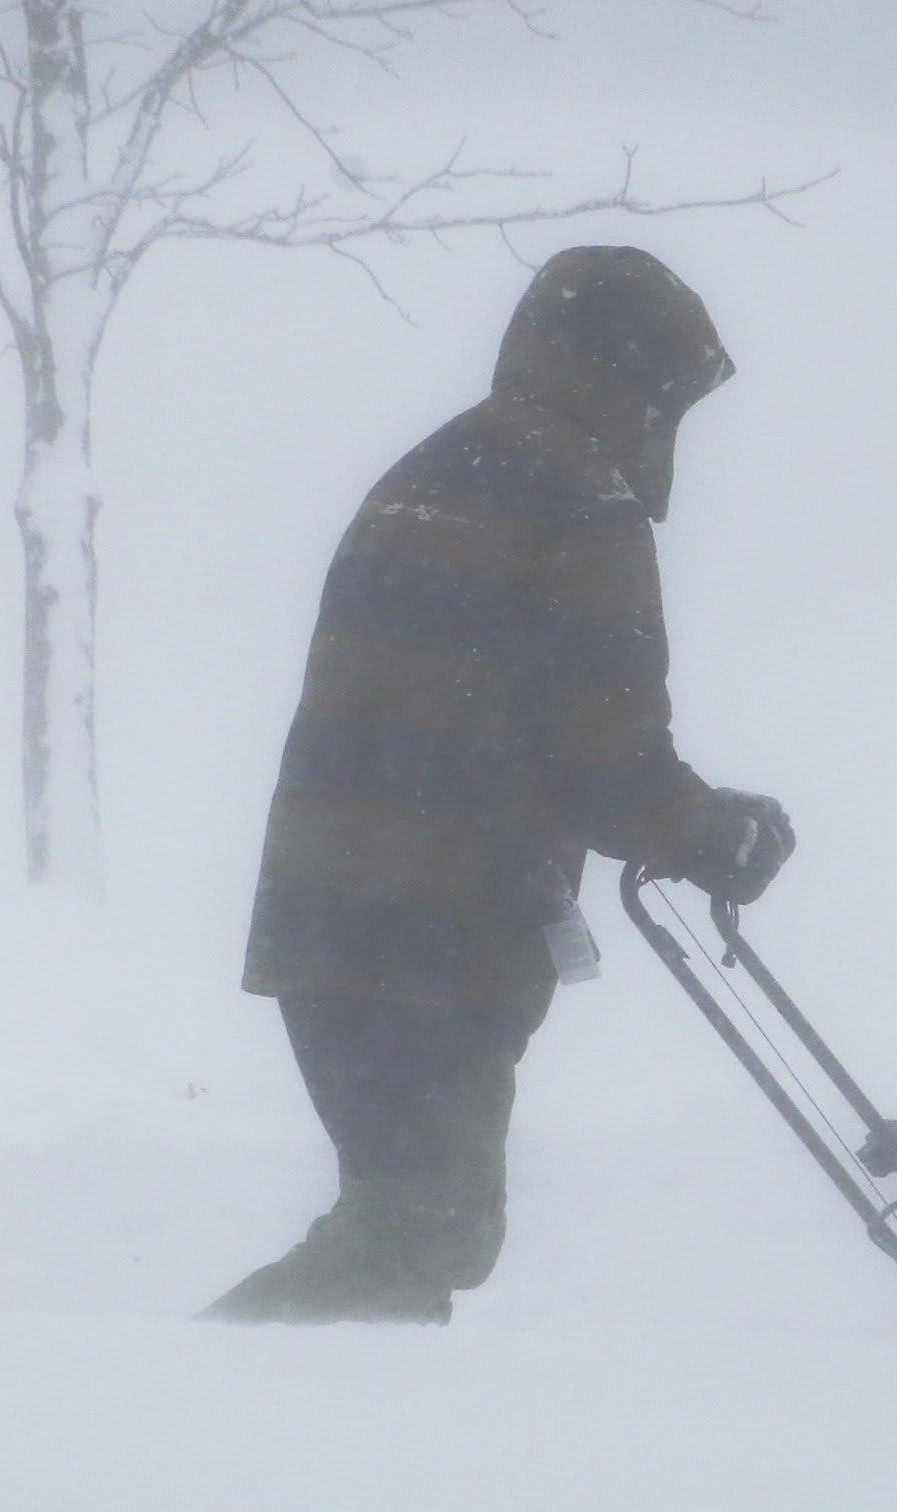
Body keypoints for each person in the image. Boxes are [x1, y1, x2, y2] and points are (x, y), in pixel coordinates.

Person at [205, 244, 793, 1324]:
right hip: (434, 933)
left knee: (406, 1230)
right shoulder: (579, 496)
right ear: (639, 387)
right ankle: (187, 1409)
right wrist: (715, 837)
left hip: (330, 920)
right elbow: (607, 751)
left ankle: (308, 1443)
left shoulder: (445, 465)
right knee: (415, 1235)